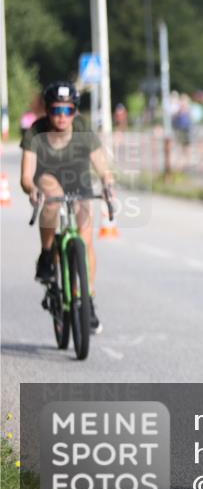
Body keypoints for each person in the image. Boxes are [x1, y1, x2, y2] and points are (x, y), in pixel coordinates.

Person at [20, 81, 114, 333]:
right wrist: (33, 190)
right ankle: (47, 254)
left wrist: (107, 182)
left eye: (68, 111)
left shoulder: (83, 128)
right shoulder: (35, 132)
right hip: (48, 177)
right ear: (47, 111)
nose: (62, 117)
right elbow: (26, 177)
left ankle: (87, 300)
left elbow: (101, 165)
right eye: (56, 111)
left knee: (85, 242)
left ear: (75, 111)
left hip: (79, 179)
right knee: (53, 196)